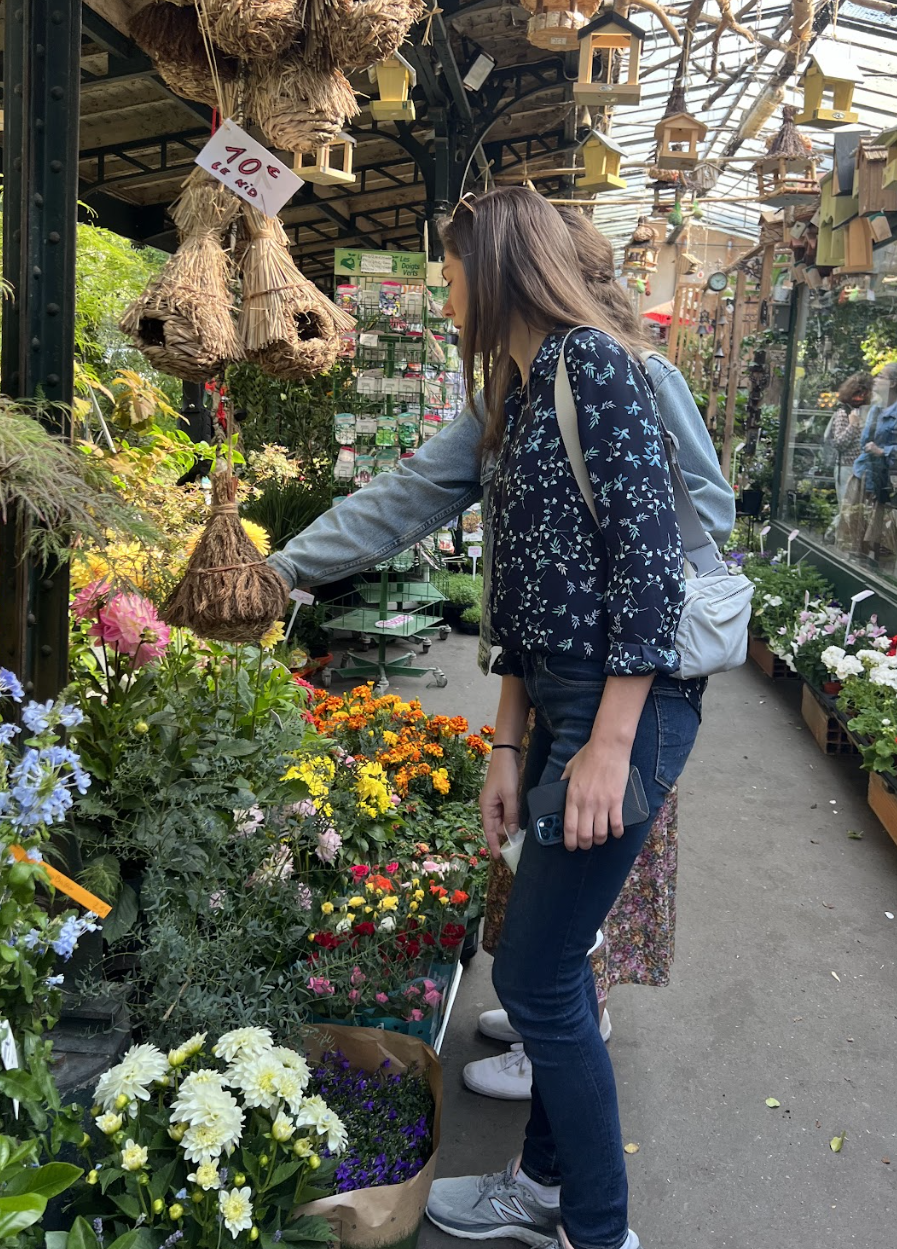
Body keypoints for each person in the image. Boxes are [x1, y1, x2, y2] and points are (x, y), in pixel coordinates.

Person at [268, 210, 733, 1123]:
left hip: (624, 694)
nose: (443, 296)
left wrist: (614, 726)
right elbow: (416, 507)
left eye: (450, 274)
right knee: (550, 928)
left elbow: (672, 534)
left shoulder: (610, 368)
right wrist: (282, 568)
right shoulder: (512, 394)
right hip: (567, 693)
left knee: (561, 940)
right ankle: (555, 1061)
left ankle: (565, 1069)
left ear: (505, 269)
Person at [836, 361, 897, 570]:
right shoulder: (875, 409)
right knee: (856, 537)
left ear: (893, 383)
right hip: (863, 477)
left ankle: (878, 578)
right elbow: (865, 443)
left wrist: (884, 451)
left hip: (885, 483)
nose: (875, 380)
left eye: (880, 377)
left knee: (881, 539)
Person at [824, 371, 871, 504]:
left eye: (865, 393)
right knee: (847, 509)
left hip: (864, 468)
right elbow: (839, 443)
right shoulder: (844, 412)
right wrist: (852, 425)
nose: (861, 397)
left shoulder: (868, 412)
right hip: (847, 467)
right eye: (858, 393)